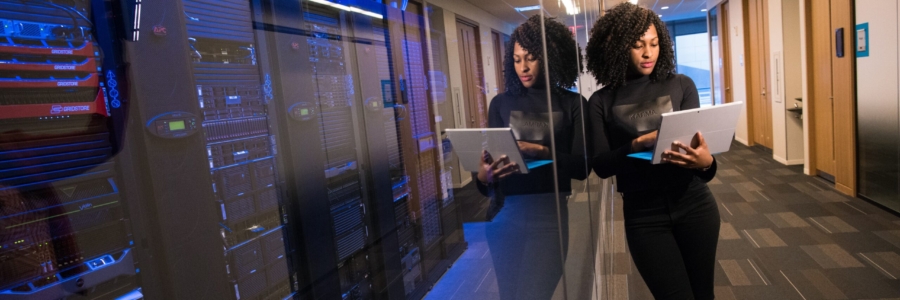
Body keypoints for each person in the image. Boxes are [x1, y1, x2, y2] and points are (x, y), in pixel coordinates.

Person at [585, 3, 720, 300]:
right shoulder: (600, 101)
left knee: (703, 295)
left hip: (695, 205)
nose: (648, 53)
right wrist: (636, 144)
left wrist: (707, 163)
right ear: (619, 48)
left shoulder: (682, 85)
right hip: (643, 215)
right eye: (637, 45)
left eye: (654, 43)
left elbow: (701, 159)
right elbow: (602, 165)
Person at [473, 15, 588, 299]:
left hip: (549, 219)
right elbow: (491, 176)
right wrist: (483, 177)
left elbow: (582, 167)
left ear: (550, 57)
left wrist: (544, 152)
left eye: (531, 58)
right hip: (503, 215)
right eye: (516, 59)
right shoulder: (500, 104)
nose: (523, 67)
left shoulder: (572, 103)